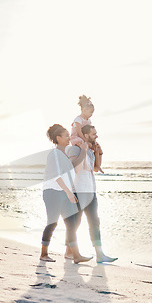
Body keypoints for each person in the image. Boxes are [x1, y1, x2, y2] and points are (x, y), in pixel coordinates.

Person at [40, 124, 92, 264]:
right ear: (58, 138)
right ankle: (44, 253)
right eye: (66, 136)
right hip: (53, 193)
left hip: (64, 192)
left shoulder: (64, 154)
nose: (69, 138)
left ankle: (75, 255)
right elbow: (56, 176)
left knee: (71, 223)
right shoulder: (54, 154)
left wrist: (83, 151)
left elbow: (75, 170)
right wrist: (69, 193)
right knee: (52, 222)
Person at [66, 124, 117, 263]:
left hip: (91, 192)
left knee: (94, 223)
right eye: (94, 134)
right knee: (74, 224)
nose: (96, 136)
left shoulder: (89, 150)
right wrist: (83, 150)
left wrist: (98, 153)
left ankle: (100, 255)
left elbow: (95, 168)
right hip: (78, 191)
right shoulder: (75, 149)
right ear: (86, 135)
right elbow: (75, 168)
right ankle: (73, 254)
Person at [70, 95, 104, 174]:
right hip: (77, 137)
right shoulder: (78, 119)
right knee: (83, 144)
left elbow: (89, 131)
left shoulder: (89, 120)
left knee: (96, 145)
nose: (91, 114)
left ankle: (97, 164)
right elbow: (79, 132)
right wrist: (85, 140)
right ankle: (84, 152)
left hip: (85, 137)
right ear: (84, 110)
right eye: (90, 112)